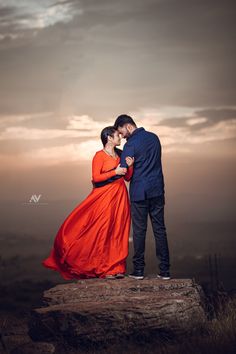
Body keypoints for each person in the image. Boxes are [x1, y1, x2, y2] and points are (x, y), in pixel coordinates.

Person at [41, 126, 134, 280]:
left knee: (118, 230)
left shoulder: (120, 154)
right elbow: (96, 178)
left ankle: (117, 267)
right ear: (109, 138)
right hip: (104, 197)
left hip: (120, 196)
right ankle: (104, 268)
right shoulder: (99, 156)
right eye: (117, 135)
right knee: (103, 230)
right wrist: (114, 172)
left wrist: (129, 167)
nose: (120, 138)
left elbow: (128, 178)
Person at [101, 115, 171, 280]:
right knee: (160, 230)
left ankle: (138, 270)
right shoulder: (154, 138)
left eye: (121, 131)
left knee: (139, 232)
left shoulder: (130, 145)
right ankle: (165, 271)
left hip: (139, 193)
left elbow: (123, 170)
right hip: (157, 190)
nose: (122, 136)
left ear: (127, 127)